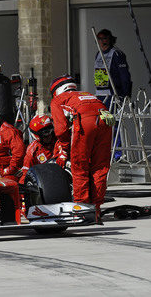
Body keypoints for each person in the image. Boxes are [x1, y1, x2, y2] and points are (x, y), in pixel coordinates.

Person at [50, 75, 114, 215]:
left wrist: (65, 149)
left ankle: (82, 210)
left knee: (79, 167)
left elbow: (60, 130)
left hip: (85, 121)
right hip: (105, 118)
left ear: (56, 90)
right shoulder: (87, 94)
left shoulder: (57, 100)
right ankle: (96, 209)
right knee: (100, 167)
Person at [94, 29, 132, 103]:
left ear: (110, 39)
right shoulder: (98, 54)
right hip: (99, 92)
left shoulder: (117, 54)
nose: (101, 41)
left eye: (104, 38)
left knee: (111, 114)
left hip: (112, 93)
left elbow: (125, 75)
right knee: (101, 114)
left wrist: (126, 94)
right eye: (99, 39)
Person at [19, 115, 56, 184]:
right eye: (45, 133)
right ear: (37, 135)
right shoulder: (32, 151)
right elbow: (26, 173)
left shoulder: (59, 140)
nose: (49, 136)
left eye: (51, 131)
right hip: (48, 182)